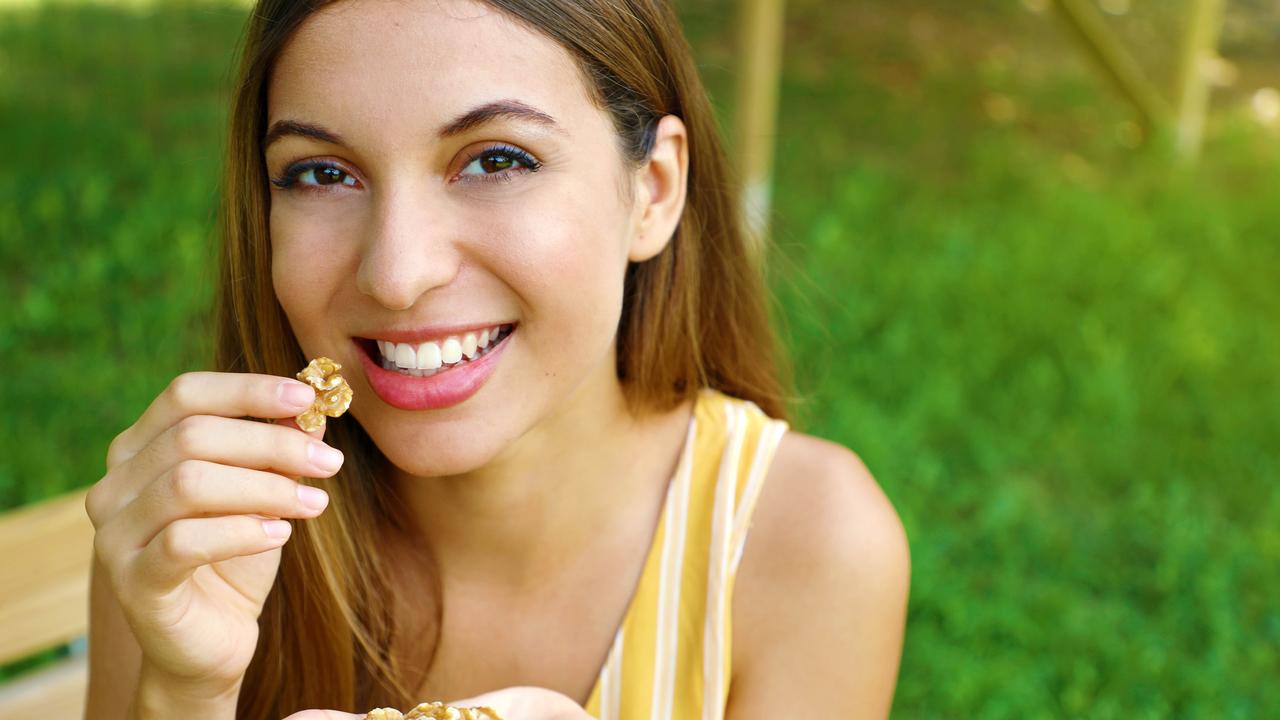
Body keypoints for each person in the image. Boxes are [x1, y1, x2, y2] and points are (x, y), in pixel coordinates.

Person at [84, 0, 910, 718]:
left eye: (496, 159)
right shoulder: (196, 524)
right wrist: (185, 695)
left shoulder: (805, 549)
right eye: (323, 173)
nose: (398, 275)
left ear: (653, 189)